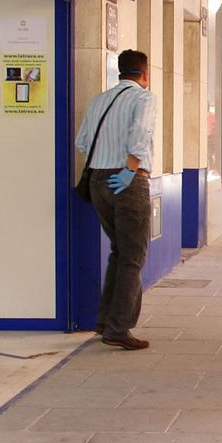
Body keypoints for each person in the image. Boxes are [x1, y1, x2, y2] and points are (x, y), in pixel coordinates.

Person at [74, 48, 160, 351]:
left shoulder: (100, 100)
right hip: (128, 179)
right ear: (144, 73)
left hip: (98, 180)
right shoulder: (143, 98)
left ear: (120, 71)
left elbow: (81, 141)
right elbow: (141, 133)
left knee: (119, 252)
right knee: (133, 255)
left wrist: (105, 162)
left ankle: (105, 320)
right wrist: (129, 168)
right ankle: (119, 328)